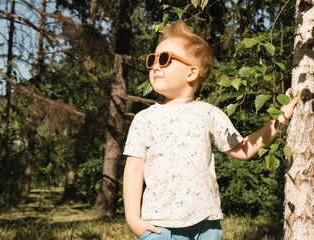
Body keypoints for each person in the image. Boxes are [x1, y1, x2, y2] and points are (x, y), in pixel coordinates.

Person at [123, 21, 298, 240]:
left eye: (165, 59)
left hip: (205, 225)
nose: (155, 66)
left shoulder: (210, 114)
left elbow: (243, 149)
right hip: (158, 226)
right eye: (153, 60)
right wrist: (133, 220)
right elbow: (133, 170)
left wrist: (280, 119)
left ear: (191, 72)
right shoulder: (144, 119)